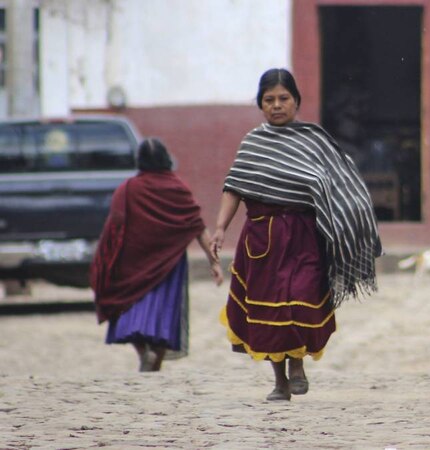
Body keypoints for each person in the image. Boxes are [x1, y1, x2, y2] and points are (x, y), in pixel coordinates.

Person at [211, 68, 381, 401]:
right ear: (260, 104)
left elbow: (341, 184)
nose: (276, 105)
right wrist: (219, 228)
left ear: (297, 101)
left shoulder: (314, 140)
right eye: (269, 100)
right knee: (268, 309)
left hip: (304, 237)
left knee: (301, 300)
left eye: (283, 98)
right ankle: (279, 381)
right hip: (260, 239)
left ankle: (298, 363)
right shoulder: (252, 143)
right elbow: (234, 187)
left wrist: (351, 225)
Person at [91, 138, 223, 372]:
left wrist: (106, 260)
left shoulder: (128, 188)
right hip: (169, 264)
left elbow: (115, 226)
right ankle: (156, 362)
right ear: (167, 159)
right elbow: (197, 225)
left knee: (130, 307)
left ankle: (144, 352)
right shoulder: (177, 188)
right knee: (164, 313)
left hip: (132, 262)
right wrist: (214, 262)